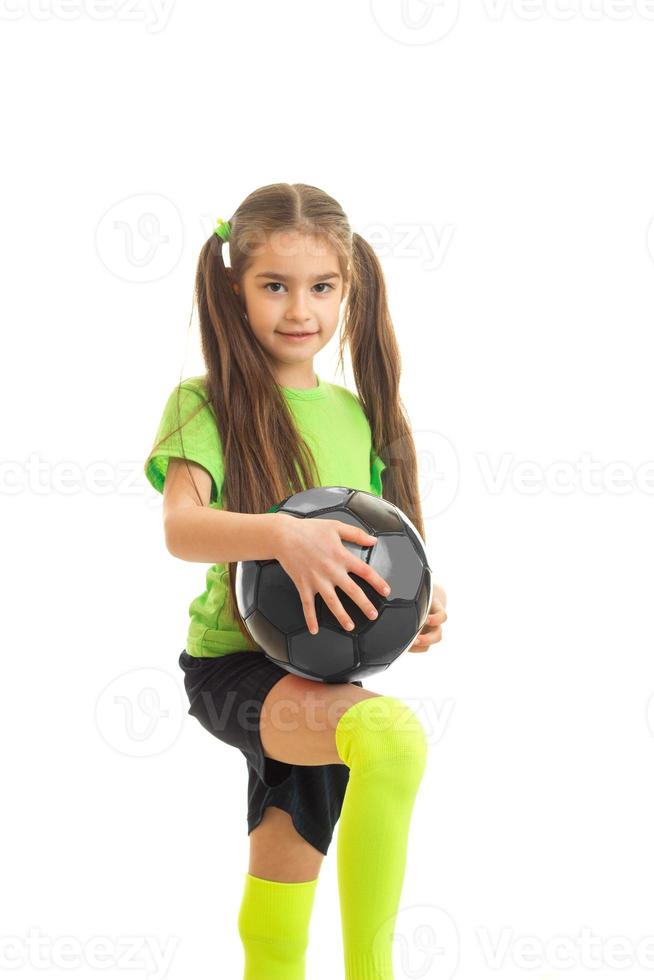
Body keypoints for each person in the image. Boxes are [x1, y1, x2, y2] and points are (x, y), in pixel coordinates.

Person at [144, 182, 448, 979]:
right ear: (235, 287)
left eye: (322, 286)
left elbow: (382, 551)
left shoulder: (354, 413)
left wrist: (412, 602)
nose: (299, 309)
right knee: (391, 738)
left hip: (323, 670)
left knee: (282, 898)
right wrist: (282, 535)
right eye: (273, 285)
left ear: (349, 286)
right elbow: (181, 527)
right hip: (235, 670)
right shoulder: (204, 403)